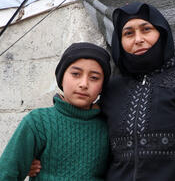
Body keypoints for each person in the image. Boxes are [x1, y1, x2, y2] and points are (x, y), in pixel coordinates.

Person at [29, 2, 175, 181]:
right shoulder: (111, 89)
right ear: (119, 42)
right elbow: (86, 137)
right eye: (128, 33)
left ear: (161, 33)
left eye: (146, 29)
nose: (138, 39)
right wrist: (41, 159)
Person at [0, 42, 111, 180]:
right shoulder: (38, 122)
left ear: (102, 86)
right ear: (61, 77)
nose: (83, 84)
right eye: (76, 74)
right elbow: (7, 173)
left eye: (94, 78)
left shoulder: (108, 127)